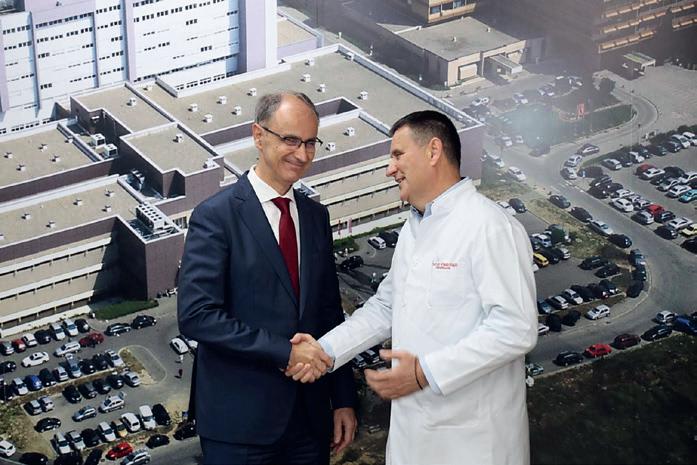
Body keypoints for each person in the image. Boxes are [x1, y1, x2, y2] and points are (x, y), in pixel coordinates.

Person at [288, 110, 538, 465]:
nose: (390, 169)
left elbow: (516, 328)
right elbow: (386, 307)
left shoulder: (490, 227)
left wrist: (424, 374)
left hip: (475, 443)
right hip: (414, 437)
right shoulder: (415, 227)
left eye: (397, 155)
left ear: (433, 151)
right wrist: (324, 351)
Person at [178, 91, 357, 465]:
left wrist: (343, 398)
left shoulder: (315, 217)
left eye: (310, 143)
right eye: (291, 140)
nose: (302, 154)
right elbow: (198, 316)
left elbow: (329, 314)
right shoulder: (215, 217)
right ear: (258, 136)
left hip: (309, 421)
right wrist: (285, 352)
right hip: (239, 425)